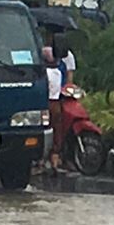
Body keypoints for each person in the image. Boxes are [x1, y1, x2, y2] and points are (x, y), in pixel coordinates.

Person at [43, 43, 68, 173]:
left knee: (46, 130)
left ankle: (42, 161)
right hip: (57, 103)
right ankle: (55, 161)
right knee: (57, 131)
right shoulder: (58, 72)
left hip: (46, 104)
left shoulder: (43, 74)